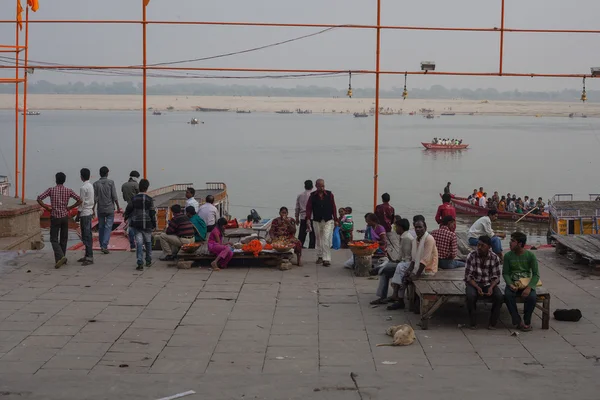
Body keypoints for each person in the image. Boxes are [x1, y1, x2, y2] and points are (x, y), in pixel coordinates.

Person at [387, 219, 438, 310]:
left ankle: (400, 298)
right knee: (402, 272)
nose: (418, 229)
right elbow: (414, 259)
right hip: (417, 266)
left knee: (403, 272)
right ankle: (400, 299)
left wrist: (416, 275)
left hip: (428, 269)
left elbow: (425, 260)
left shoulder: (429, 239)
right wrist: (409, 270)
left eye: (420, 227)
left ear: (425, 228)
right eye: (416, 227)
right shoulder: (415, 240)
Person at [37, 172, 82, 269]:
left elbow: (39, 198)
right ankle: (61, 259)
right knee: (63, 238)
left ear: (56, 180)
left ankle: (60, 257)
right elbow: (79, 200)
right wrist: (70, 207)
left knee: (53, 239)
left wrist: (46, 207)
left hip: (55, 216)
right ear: (64, 180)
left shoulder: (51, 190)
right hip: (65, 217)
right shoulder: (68, 190)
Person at [370, 218, 413, 305]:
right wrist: (395, 261)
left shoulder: (407, 238)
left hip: (406, 265)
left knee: (384, 269)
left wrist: (397, 263)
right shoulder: (403, 237)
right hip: (401, 262)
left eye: (396, 227)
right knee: (385, 272)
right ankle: (383, 296)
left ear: (401, 227)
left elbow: (407, 257)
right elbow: (401, 255)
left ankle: (378, 270)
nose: (395, 229)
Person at [503, 232, 540, 332]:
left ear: (520, 244)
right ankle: (517, 321)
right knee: (508, 295)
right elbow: (505, 273)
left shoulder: (530, 256)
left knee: (532, 297)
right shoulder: (508, 256)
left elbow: (536, 275)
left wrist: (529, 288)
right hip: (513, 283)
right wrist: (510, 284)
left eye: (512, 241)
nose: (510, 243)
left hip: (526, 283)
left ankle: (527, 322)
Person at [464, 235, 503, 329]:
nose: (479, 247)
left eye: (482, 245)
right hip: (474, 283)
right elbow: (468, 277)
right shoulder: (471, 256)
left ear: (489, 247)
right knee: (470, 296)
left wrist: (491, 287)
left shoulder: (494, 257)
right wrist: (477, 287)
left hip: (488, 283)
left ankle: (493, 323)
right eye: (478, 245)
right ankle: (473, 322)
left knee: (499, 297)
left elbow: (496, 277)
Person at [124, 179, 156, 271]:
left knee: (139, 243)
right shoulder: (150, 199)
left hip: (136, 223)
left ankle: (140, 262)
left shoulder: (134, 199)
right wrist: (154, 224)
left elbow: (129, 209)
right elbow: (152, 213)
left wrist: (126, 216)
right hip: (147, 223)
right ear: (147, 188)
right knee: (148, 242)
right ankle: (148, 260)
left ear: (138, 187)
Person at [305, 179, 338, 267]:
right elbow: (309, 208)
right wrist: (308, 218)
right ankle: (320, 256)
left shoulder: (330, 195)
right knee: (319, 238)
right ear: (316, 186)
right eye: (320, 186)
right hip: (317, 220)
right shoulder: (312, 196)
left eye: (323, 186)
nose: (322, 188)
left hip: (328, 220)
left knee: (326, 238)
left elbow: (333, 207)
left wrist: (336, 219)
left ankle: (326, 258)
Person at [93, 166, 121, 254]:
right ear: (107, 173)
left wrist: (93, 208)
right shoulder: (111, 182)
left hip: (100, 208)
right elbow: (114, 196)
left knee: (101, 227)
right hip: (109, 208)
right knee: (108, 227)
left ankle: (102, 245)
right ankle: (104, 245)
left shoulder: (96, 184)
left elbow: (95, 198)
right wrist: (118, 206)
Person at [77, 168, 94, 266]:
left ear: (81, 177)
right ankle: (87, 254)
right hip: (89, 211)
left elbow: (81, 203)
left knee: (86, 235)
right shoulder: (90, 186)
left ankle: (89, 257)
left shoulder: (83, 188)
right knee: (87, 234)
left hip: (84, 213)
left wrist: (78, 215)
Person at [122, 170, 140, 252]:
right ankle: (140, 245)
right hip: (136, 207)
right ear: (135, 177)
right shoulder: (136, 184)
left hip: (128, 206)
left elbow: (124, 198)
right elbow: (139, 195)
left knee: (130, 227)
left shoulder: (124, 185)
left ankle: (132, 246)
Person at [375, 193, 397, 258]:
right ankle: (387, 255)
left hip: (379, 228)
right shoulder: (392, 208)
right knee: (387, 243)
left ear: (382, 199)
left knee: (379, 241)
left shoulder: (378, 207)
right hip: (388, 228)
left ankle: (379, 254)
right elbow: (392, 219)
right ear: (389, 199)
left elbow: (375, 217)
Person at [295, 180, 316, 249]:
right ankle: (311, 248)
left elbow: (297, 208)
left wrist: (297, 218)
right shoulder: (314, 195)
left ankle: (299, 247)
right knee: (312, 235)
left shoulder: (300, 195)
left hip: (303, 217)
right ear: (312, 186)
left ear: (304, 186)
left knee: (301, 235)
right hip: (313, 217)